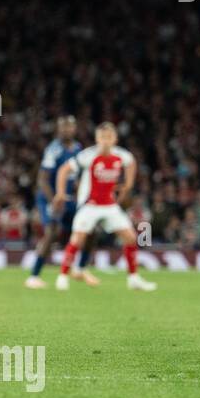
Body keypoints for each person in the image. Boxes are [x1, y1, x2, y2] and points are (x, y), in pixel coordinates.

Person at [52, 122, 157, 292]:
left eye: (109, 137)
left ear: (115, 139)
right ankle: (62, 277)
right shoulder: (88, 156)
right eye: (102, 137)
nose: (105, 141)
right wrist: (61, 192)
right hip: (89, 205)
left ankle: (134, 279)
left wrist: (128, 185)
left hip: (109, 205)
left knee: (130, 238)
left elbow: (131, 163)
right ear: (97, 139)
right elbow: (64, 170)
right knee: (77, 239)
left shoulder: (122, 155)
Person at [25, 116, 98, 288]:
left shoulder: (78, 148)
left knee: (91, 230)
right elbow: (42, 179)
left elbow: (77, 176)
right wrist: (54, 200)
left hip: (70, 198)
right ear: (58, 130)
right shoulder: (54, 150)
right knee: (52, 232)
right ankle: (34, 276)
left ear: (75, 129)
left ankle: (80, 268)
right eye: (63, 127)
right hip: (50, 197)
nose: (67, 130)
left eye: (70, 127)